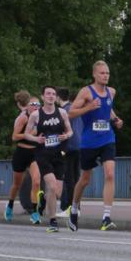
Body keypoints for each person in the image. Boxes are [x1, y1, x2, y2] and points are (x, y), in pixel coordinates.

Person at [68, 60, 123, 232]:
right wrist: (89, 107)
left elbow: (108, 109)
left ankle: (106, 217)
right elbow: (70, 113)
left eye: (107, 73)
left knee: (110, 174)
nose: (105, 76)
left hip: (107, 138)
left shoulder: (111, 92)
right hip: (89, 141)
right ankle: (74, 208)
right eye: (102, 73)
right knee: (85, 180)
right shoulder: (86, 92)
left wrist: (115, 119)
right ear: (94, 74)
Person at [27, 85, 73, 232]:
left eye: (53, 94)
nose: (51, 96)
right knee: (52, 187)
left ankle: (43, 201)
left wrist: (66, 136)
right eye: (48, 94)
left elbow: (70, 131)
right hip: (43, 155)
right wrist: (36, 140)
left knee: (56, 191)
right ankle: (53, 222)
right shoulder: (36, 115)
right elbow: (26, 134)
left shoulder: (62, 113)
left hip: (59, 155)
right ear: (42, 97)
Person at [5, 91, 42, 223]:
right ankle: (9, 205)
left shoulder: (41, 118)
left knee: (36, 181)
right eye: (33, 104)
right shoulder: (24, 118)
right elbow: (14, 137)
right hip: (21, 152)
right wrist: (29, 134)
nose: (36, 106)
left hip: (34, 153)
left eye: (38, 104)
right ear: (28, 106)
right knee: (17, 184)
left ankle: (34, 212)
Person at [57, 87, 82, 218]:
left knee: (68, 179)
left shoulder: (64, 111)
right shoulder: (75, 109)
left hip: (68, 146)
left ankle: (67, 207)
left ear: (58, 97)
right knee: (76, 178)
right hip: (79, 145)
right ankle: (77, 207)